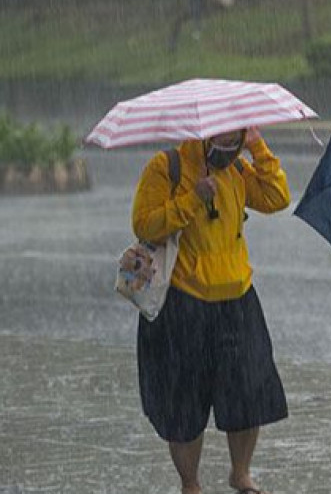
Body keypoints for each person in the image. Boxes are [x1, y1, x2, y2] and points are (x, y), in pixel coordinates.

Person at [120, 126, 289, 494]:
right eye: (222, 139)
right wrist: (193, 199)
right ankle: (190, 482)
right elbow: (145, 223)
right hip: (184, 302)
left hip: (237, 298)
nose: (229, 146)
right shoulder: (167, 167)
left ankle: (241, 473)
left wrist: (259, 148)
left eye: (236, 138)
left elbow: (277, 197)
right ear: (203, 134)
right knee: (183, 403)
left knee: (247, 394)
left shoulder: (238, 170)